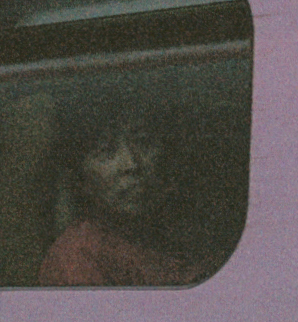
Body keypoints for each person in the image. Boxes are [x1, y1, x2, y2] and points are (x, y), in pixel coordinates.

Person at [37, 107, 204, 286]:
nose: (132, 164)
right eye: (106, 151)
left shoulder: (170, 236)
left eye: (143, 142)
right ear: (81, 179)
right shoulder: (77, 258)